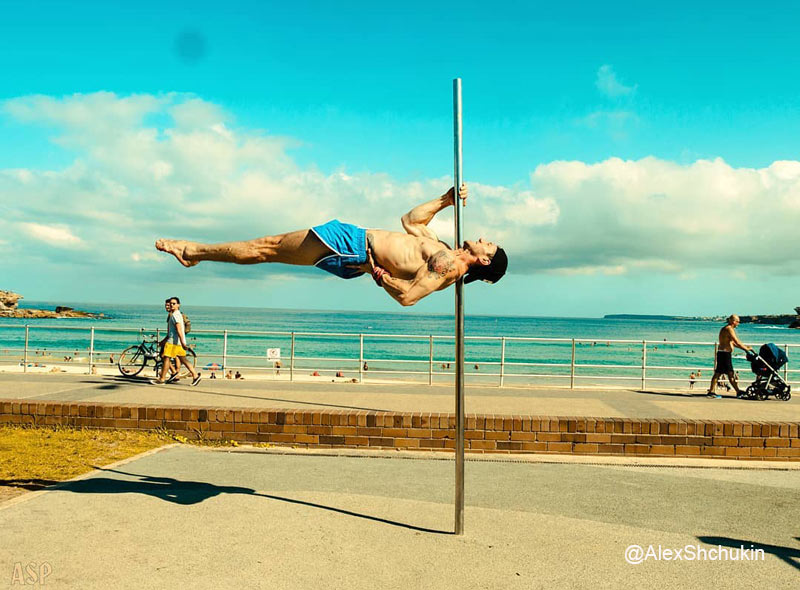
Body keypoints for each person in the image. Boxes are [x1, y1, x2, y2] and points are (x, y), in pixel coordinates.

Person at [155, 185, 508, 307]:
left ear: (483, 261)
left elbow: (409, 297)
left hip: (353, 248)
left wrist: (375, 272)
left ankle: (193, 252)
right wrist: (445, 200)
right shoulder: (443, 248)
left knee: (267, 247)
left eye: (487, 245)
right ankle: (195, 253)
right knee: (267, 250)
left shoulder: (448, 264)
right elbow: (411, 221)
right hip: (353, 241)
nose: (482, 239)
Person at [150, 297, 202, 386]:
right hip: (175, 342)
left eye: (174, 303)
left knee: (166, 358)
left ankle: (162, 379)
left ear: (178, 305)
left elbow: (179, 330)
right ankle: (195, 376)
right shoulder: (175, 314)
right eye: (170, 303)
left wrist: (182, 342)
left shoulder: (175, 315)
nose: (171, 305)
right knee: (184, 360)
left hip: (173, 342)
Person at [707, 315, 752, 398]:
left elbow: (733, 343)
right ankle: (711, 391)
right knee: (720, 373)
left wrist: (745, 347)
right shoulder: (729, 329)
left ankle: (737, 391)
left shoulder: (728, 329)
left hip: (725, 353)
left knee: (728, 373)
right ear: (732, 321)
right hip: (724, 354)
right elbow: (737, 341)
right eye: (737, 321)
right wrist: (746, 349)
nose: (738, 323)